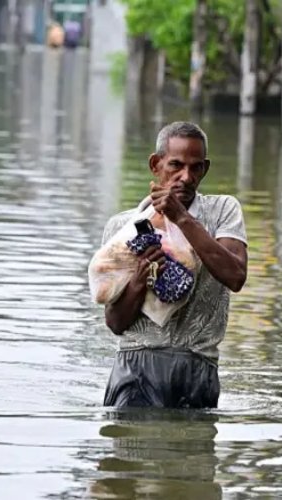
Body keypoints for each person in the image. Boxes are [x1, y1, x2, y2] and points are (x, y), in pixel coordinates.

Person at [97, 121, 248, 409]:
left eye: (195, 168)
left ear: (205, 169)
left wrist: (182, 218)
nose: (185, 177)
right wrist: (139, 281)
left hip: (196, 367)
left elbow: (236, 276)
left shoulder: (222, 211)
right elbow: (115, 323)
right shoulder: (123, 227)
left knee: (191, 452)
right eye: (175, 165)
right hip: (135, 367)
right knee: (131, 450)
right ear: (156, 164)